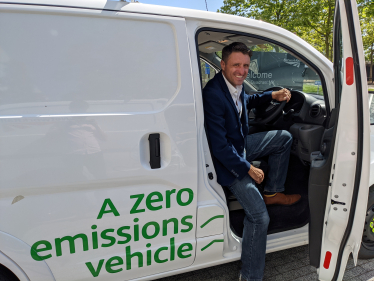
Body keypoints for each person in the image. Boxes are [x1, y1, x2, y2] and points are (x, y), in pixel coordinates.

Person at [202, 42, 301, 281]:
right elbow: (220, 148)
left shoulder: (233, 87)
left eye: (246, 65)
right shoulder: (213, 94)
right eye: (236, 64)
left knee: (284, 138)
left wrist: (272, 95)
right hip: (227, 163)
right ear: (223, 64)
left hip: (239, 147)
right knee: (259, 217)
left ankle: (272, 191)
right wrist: (249, 169)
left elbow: (247, 101)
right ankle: (250, 276)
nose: (242, 70)